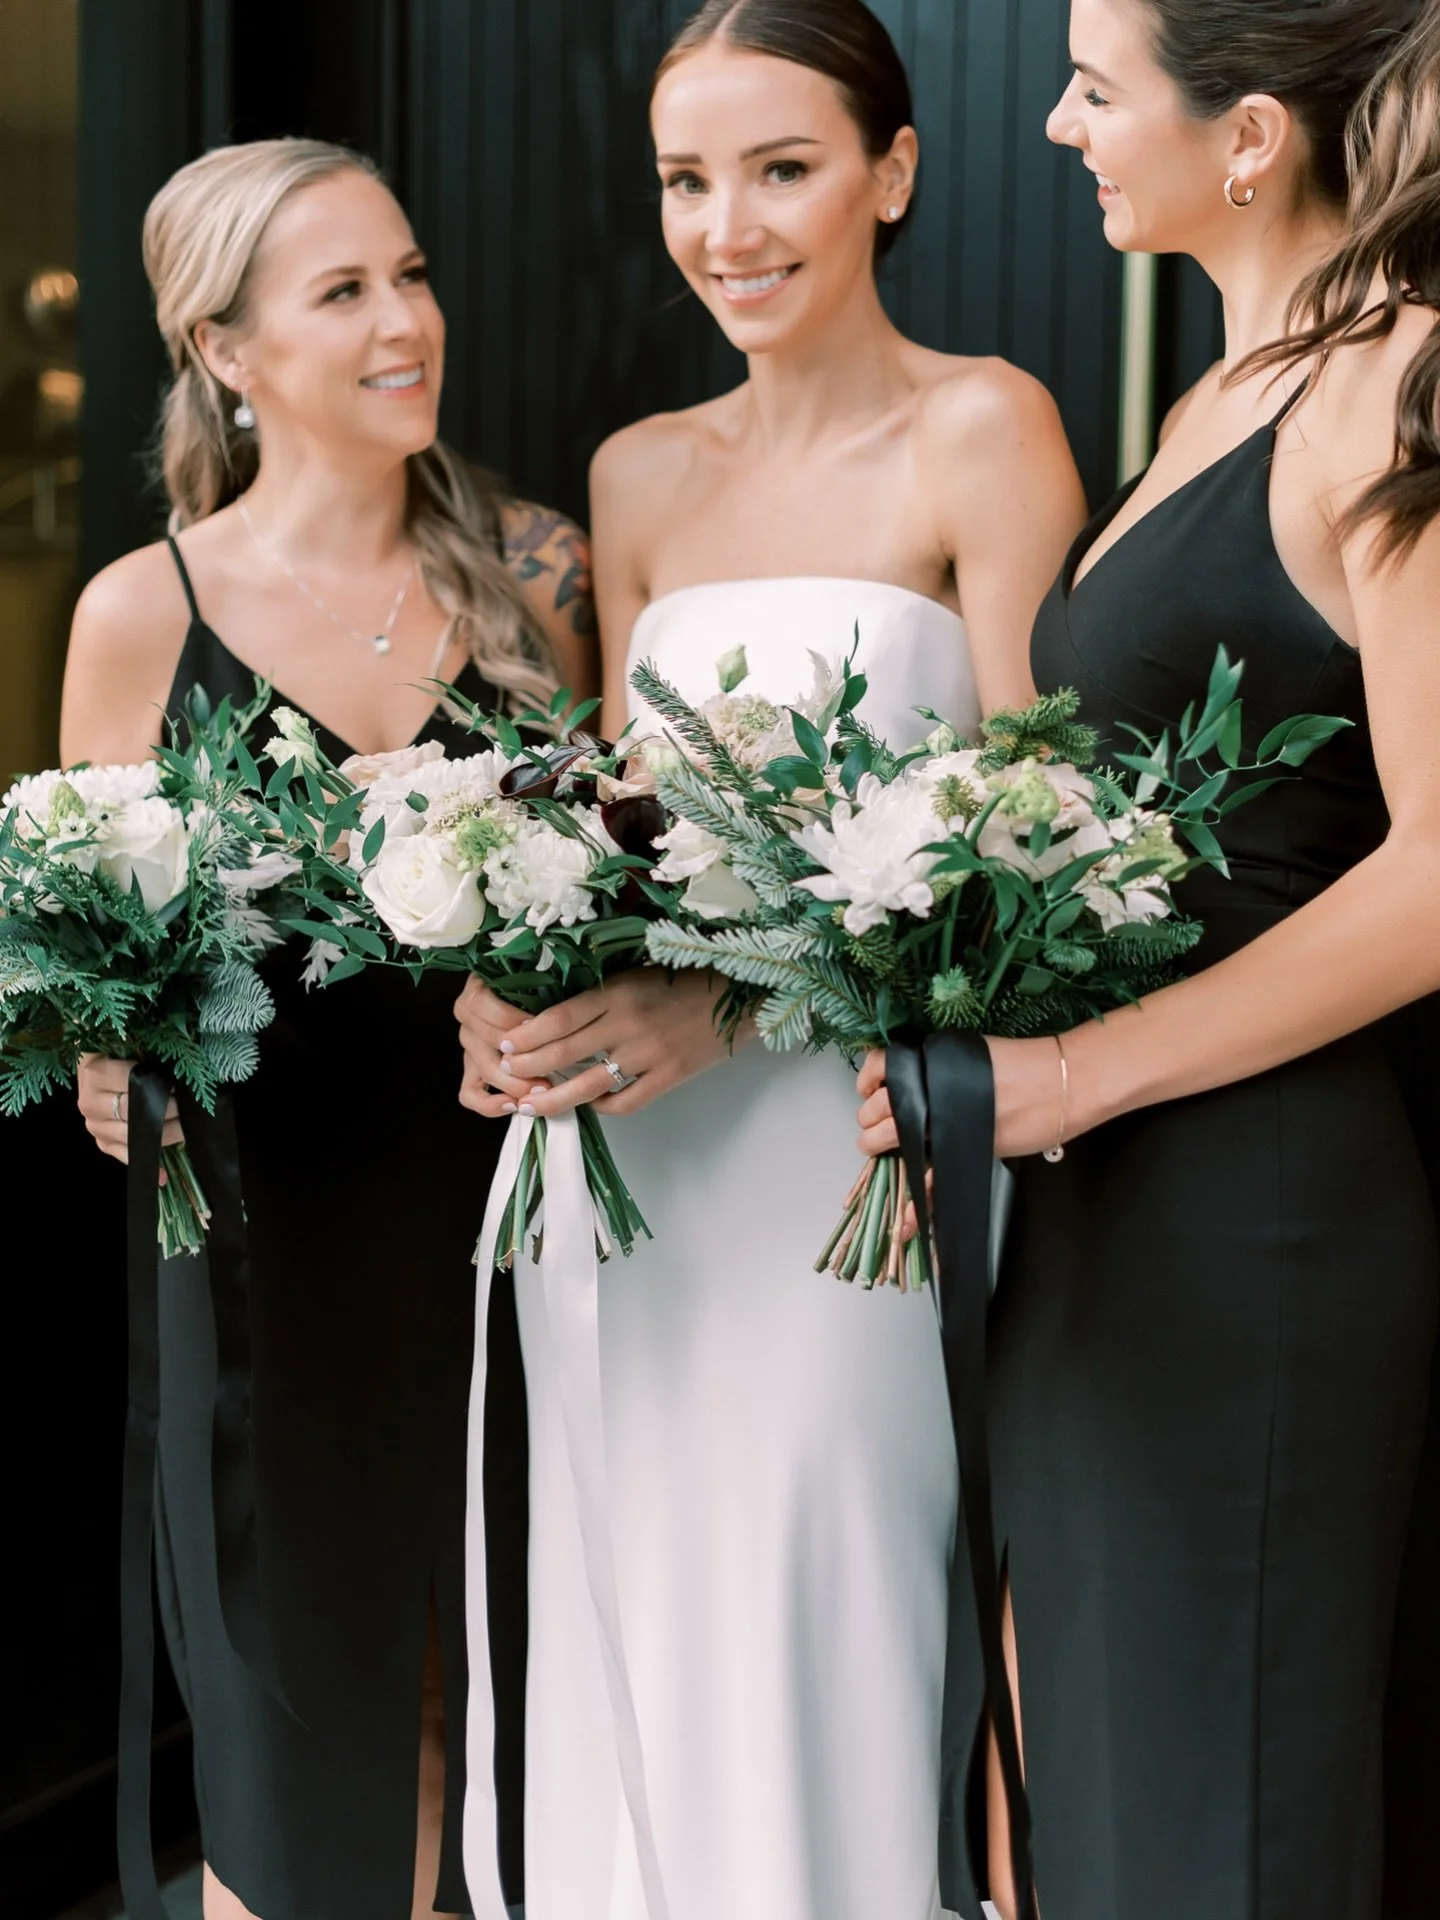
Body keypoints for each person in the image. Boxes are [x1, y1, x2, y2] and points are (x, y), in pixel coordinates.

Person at [454, 4, 1085, 1916]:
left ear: (890, 174)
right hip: (624, 1167)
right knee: (621, 1594)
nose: (726, 224)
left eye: (782, 167)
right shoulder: (635, 475)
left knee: (833, 1602)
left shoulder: (986, 427)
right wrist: (511, 984)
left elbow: (1044, 870)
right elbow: (616, 825)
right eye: (685, 178)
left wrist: (736, 1004)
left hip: (852, 1171)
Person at [855, 2, 1440, 1915]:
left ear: (1253, 135)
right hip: (1109, 1208)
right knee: (1108, 1797)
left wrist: (1072, 1077)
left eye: (1098, 88)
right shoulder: (1218, 399)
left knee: (1224, 1808)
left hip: (1259, 1221)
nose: (1054, 123)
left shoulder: (1400, 387)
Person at [62, 138, 596, 1920]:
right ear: (227, 350)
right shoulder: (150, 611)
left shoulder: (537, 581)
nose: (405, 322)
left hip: (514, 1227)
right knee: (300, 1735)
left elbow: (612, 898)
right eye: (345, 292)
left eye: (414, 276)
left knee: (483, 1689)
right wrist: (104, 1053)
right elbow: (88, 953)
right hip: (268, 1263)